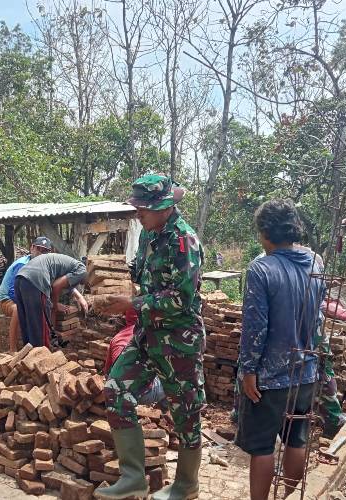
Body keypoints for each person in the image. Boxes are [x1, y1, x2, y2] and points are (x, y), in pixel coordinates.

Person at [94, 174, 206, 500]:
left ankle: (187, 484)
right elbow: (136, 274)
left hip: (178, 341)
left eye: (143, 209)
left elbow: (181, 299)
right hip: (146, 336)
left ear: (165, 207)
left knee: (185, 414)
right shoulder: (149, 235)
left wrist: (132, 303)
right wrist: (107, 280)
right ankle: (133, 477)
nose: (138, 214)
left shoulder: (184, 241)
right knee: (116, 389)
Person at [235, 199, 326, 500]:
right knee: (295, 441)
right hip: (306, 373)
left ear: (264, 233)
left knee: (261, 448)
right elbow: (320, 319)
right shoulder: (316, 262)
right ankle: (288, 496)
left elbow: (255, 327)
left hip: (271, 377)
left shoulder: (261, 269)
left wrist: (248, 370)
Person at [13, 253, 88, 347]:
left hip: (20, 278)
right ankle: (39, 357)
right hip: (36, 280)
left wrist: (80, 297)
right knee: (39, 329)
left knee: (28, 325)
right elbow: (56, 286)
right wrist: (55, 305)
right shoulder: (82, 270)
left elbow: (63, 286)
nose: (84, 284)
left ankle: (26, 355)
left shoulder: (69, 265)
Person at [0, 236, 53, 351]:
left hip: (24, 299)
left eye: (45, 251)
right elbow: (14, 292)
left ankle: (45, 344)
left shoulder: (45, 266)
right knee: (18, 310)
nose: (41, 254)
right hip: (7, 300)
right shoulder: (22, 265)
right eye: (39, 249)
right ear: (32, 248)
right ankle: (12, 350)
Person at [104, 308, 165, 407]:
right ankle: (166, 409)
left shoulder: (117, 338)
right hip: (138, 394)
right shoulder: (150, 335)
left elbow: (107, 372)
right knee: (178, 380)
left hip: (115, 390)